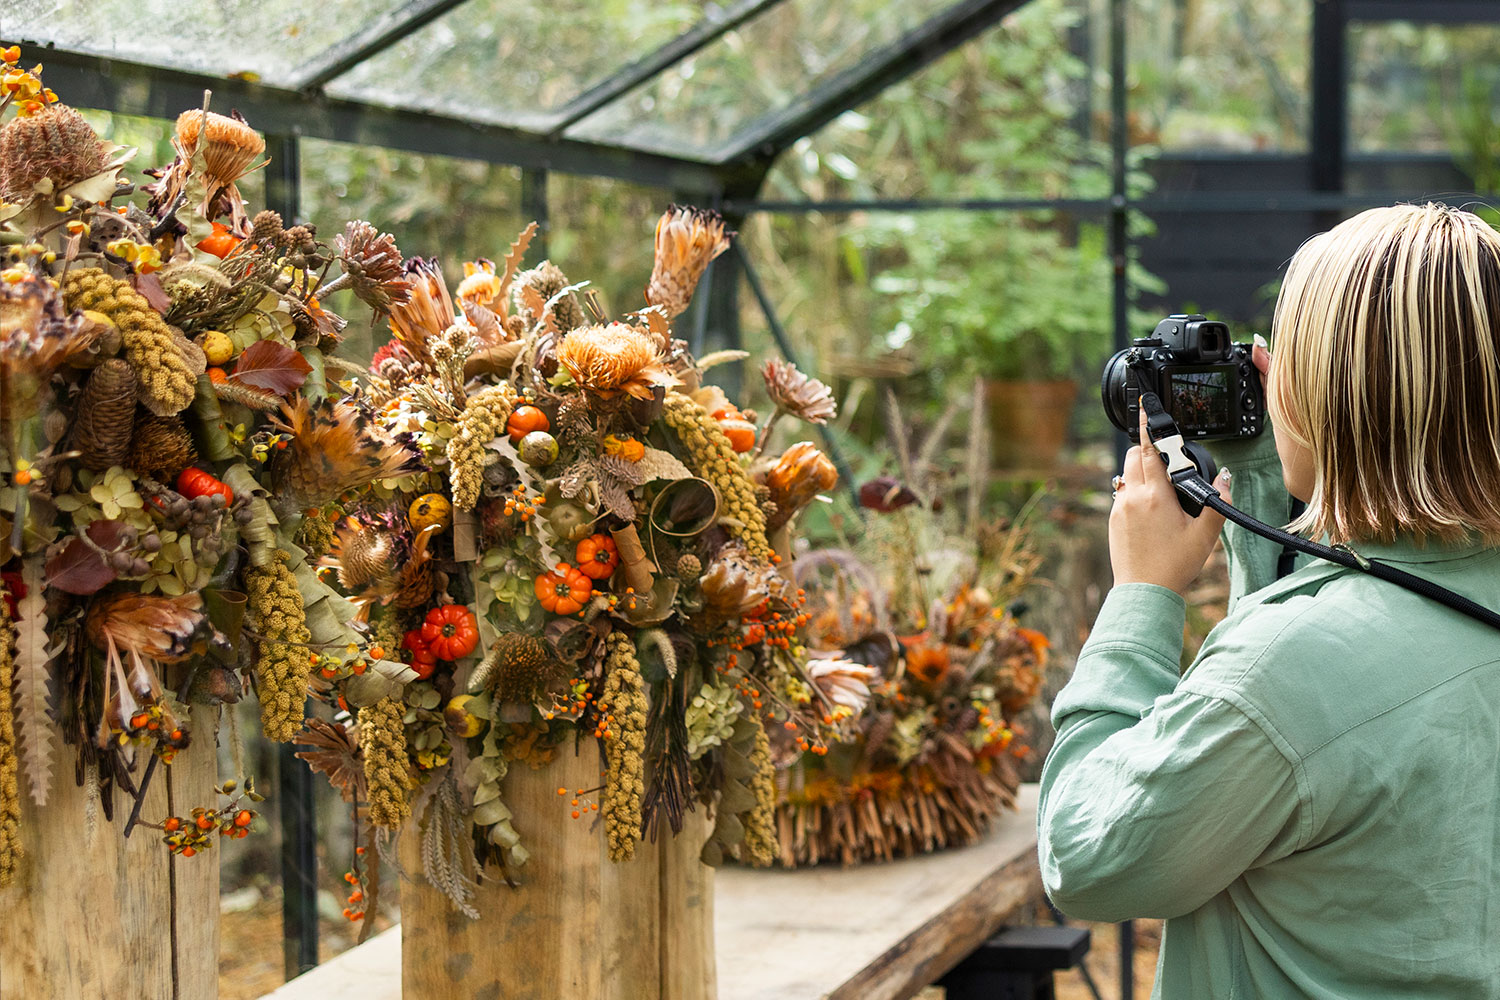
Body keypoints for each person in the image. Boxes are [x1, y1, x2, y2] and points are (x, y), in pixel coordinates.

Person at [1037, 203, 1500, 999]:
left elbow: (1087, 859)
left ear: (1322, 394)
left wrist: (1141, 596)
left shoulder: (1294, 671)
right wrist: (1260, 476)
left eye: (1288, 359)